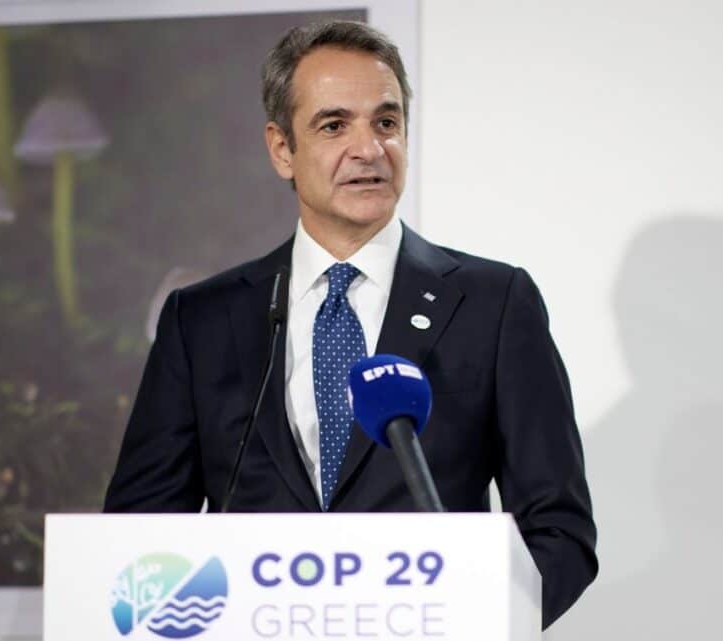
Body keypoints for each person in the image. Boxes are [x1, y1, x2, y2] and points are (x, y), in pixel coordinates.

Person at [104, 20, 596, 628]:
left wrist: (473, 625)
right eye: (334, 125)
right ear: (282, 149)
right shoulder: (201, 321)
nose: (369, 149)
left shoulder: (493, 304)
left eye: (386, 122)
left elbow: (559, 529)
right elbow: (138, 532)